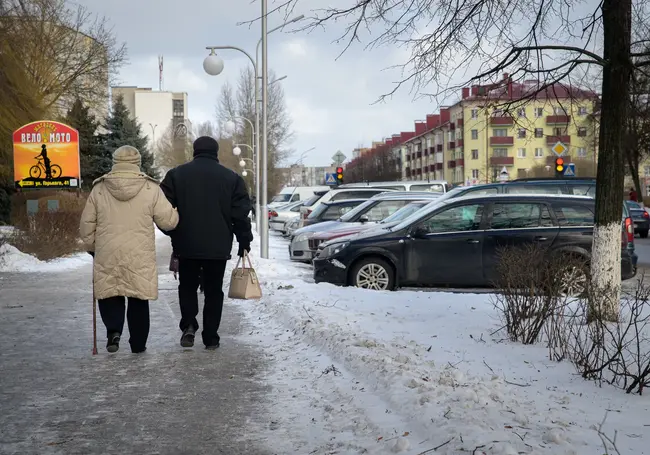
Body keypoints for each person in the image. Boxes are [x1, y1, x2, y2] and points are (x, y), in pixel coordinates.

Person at [80, 146, 179, 354]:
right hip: (139, 253)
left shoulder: (100, 188)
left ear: (114, 161)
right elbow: (169, 222)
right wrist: (176, 212)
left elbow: (87, 224)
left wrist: (91, 247)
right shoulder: (150, 188)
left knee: (110, 292)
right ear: (138, 162)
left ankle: (113, 332)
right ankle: (138, 344)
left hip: (108, 250)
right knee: (138, 297)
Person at [160, 136, 253, 350]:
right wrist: (243, 240)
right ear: (216, 152)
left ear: (195, 150)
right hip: (217, 247)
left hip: (186, 245)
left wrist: (173, 232)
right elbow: (240, 213)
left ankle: (189, 325)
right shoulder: (231, 178)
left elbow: (162, 210)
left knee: (187, 287)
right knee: (214, 291)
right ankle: (211, 336)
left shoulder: (176, 175)